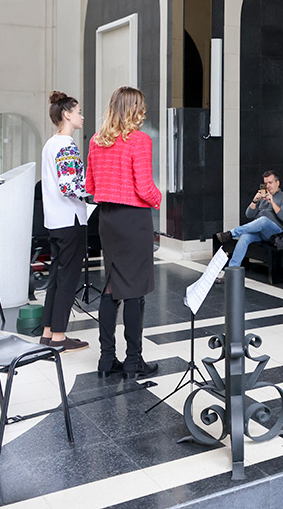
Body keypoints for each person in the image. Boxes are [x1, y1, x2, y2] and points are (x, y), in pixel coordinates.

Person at [86, 86, 162, 379]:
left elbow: (90, 187)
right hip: (133, 220)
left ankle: (106, 360)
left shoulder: (96, 140)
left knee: (110, 286)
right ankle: (133, 361)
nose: (143, 113)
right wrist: (158, 199)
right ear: (133, 109)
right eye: (141, 107)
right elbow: (144, 187)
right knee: (134, 291)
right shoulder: (139, 141)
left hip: (108, 220)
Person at [38, 91, 89, 352]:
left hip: (55, 221)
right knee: (68, 278)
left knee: (57, 277)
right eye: (78, 112)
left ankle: (48, 332)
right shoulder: (66, 145)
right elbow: (70, 186)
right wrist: (94, 192)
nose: (81, 116)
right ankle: (59, 337)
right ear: (67, 114)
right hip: (70, 221)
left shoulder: (50, 144)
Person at [217, 170, 283, 268]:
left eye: (270, 182)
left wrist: (272, 202)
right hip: (261, 231)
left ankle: (231, 233)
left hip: (275, 232)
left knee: (263, 220)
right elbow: (249, 215)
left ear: (277, 183)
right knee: (244, 237)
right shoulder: (263, 197)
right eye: (265, 183)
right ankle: (232, 269)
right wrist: (255, 201)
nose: (268, 186)